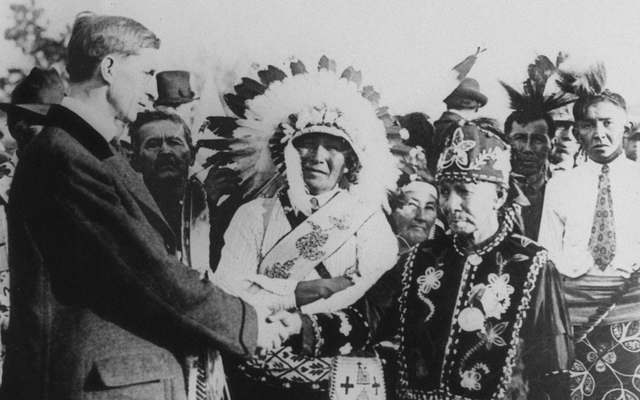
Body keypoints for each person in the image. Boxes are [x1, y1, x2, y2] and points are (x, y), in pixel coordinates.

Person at [0, 13, 284, 400]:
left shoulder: (87, 151)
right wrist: (249, 325)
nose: (153, 89)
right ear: (110, 67)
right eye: (147, 72)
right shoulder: (66, 156)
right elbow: (147, 270)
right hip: (96, 385)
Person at [279, 121, 573, 399]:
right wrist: (299, 325)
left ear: (498, 196)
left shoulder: (532, 264)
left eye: (464, 191)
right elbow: (364, 321)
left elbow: (553, 369)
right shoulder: (419, 260)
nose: (451, 205)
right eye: (445, 191)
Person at [210, 57, 399, 399]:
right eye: (307, 143)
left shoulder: (369, 220)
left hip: (341, 376)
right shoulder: (252, 215)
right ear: (287, 151)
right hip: (265, 375)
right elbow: (229, 289)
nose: (317, 155)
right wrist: (305, 290)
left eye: (333, 146)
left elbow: (371, 298)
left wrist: (275, 295)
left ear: (350, 161)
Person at [539, 63, 640, 399]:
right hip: (574, 315)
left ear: (625, 125)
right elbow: (548, 256)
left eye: (607, 122)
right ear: (578, 131)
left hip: (631, 308)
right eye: (588, 124)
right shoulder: (560, 185)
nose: (599, 133)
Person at [500, 79, 573, 240]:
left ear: (552, 143)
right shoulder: (494, 190)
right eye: (519, 138)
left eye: (538, 140)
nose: (527, 148)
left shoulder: (565, 189)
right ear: (507, 141)